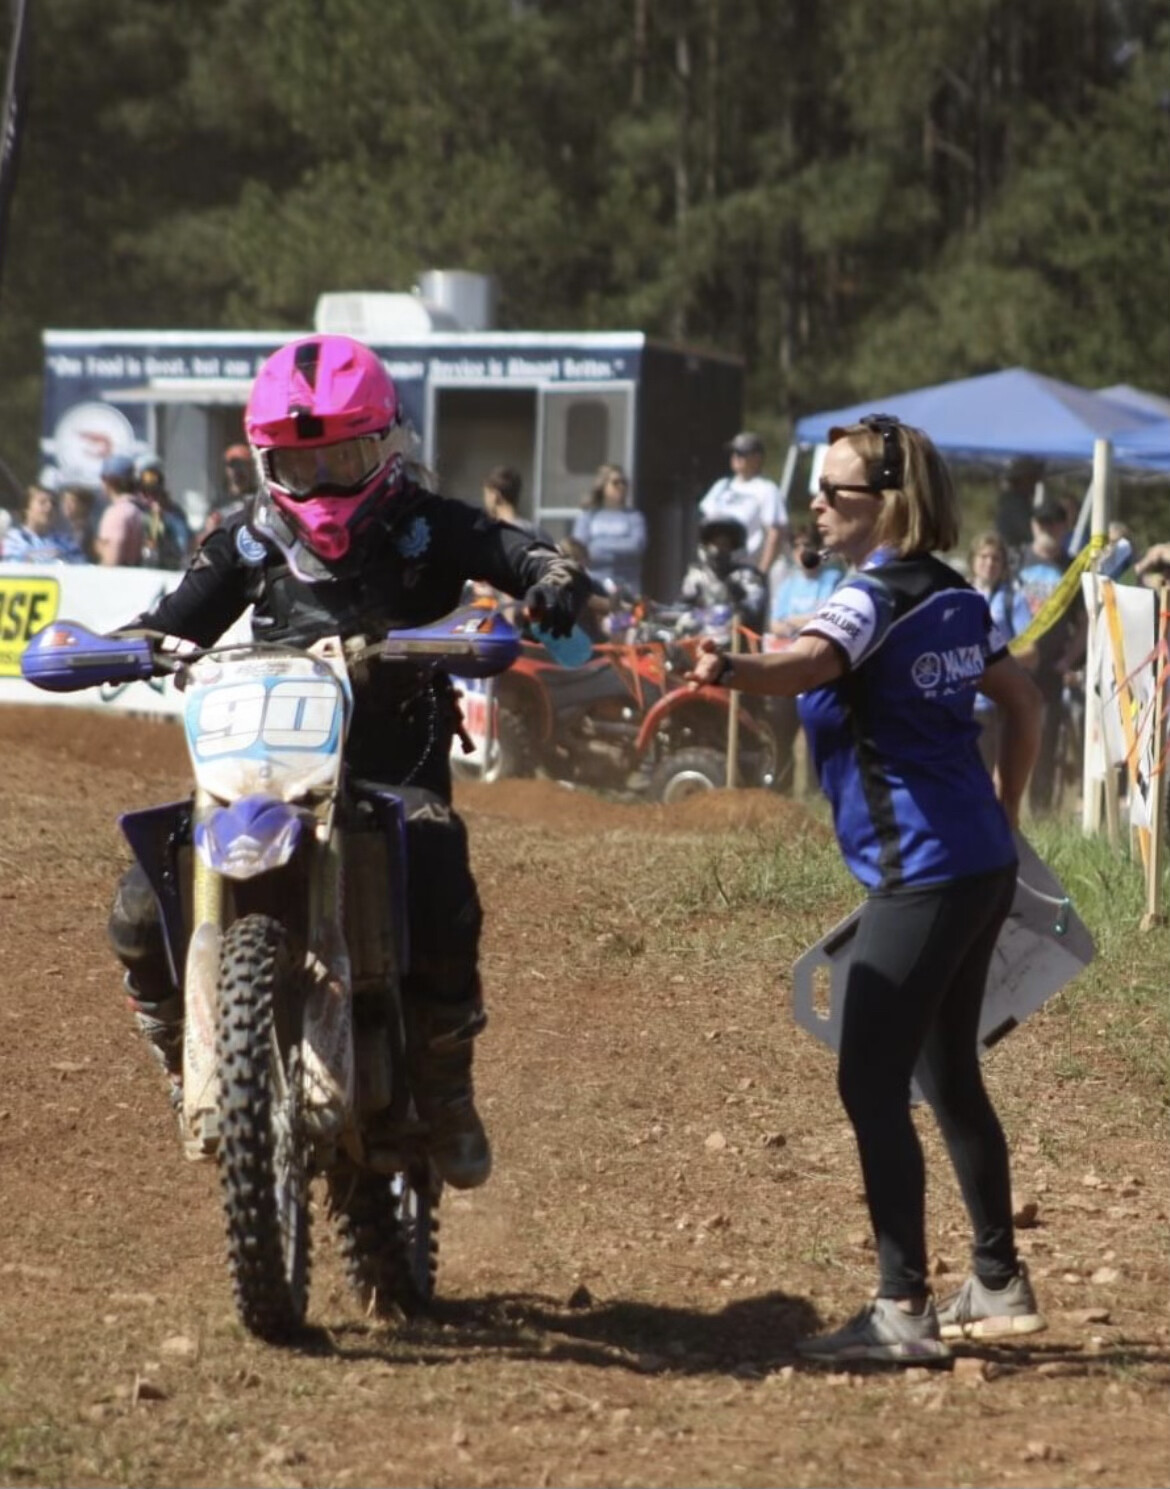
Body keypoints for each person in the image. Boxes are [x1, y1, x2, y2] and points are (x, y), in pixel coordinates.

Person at [105, 333, 589, 1192]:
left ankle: (446, 1088)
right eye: (301, 464)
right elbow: (174, 619)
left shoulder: (430, 524)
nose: (323, 483)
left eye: (345, 457)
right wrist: (123, 647)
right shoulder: (247, 542)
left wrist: (551, 577)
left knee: (440, 866)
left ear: (388, 445)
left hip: (392, 773)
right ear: (267, 462)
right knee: (144, 902)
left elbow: (520, 552)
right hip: (258, 773)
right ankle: (182, 1044)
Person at [687, 414, 1045, 1365]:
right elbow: (1024, 703)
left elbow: (812, 661)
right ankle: (998, 1282)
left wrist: (731, 667)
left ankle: (902, 1307)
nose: (815, 500)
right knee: (945, 1069)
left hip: (924, 875)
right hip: (978, 863)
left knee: (870, 1078)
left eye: (835, 490)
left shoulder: (868, 596)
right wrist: (1004, 815)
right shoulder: (959, 594)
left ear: (887, 505)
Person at [1015, 499, 1086, 814]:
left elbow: (1085, 621)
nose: (1047, 529)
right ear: (1033, 525)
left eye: (1053, 523)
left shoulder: (1072, 569)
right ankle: (1003, 806)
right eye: (1041, 522)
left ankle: (1040, 810)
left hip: (1050, 670)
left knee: (1044, 741)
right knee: (1006, 734)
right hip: (1014, 666)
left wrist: (1068, 660)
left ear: (1063, 527)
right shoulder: (1016, 561)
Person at [766, 526, 843, 794]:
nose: (803, 551)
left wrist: (793, 621)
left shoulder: (834, 579)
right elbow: (775, 625)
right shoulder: (788, 584)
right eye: (797, 546)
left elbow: (829, 617)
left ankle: (817, 791)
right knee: (782, 731)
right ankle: (781, 788)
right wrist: (806, 619)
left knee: (817, 731)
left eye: (808, 545)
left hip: (819, 668)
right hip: (789, 663)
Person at [969, 530, 1032, 774]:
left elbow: (1031, 651)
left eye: (996, 558)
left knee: (989, 772)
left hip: (993, 703)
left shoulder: (1012, 601)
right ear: (973, 560)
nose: (989, 563)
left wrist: (993, 665)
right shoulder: (957, 593)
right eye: (984, 557)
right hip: (959, 700)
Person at [698, 431, 788, 576]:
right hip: (715, 566)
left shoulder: (766, 489)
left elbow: (774, 534)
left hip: (745, 567)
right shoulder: (722, 485)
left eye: (741, 453)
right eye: (734, 453)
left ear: (757, 458)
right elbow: (705, 522)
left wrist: (761, 573)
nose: (735, 457)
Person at [677, 516, 768, 638]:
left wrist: (736, 592)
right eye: (714, 543)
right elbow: (683, 608)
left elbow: (753, 611)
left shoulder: (748, 577)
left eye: (724, 544)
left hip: (738, 646)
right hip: (703, 643)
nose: (718, 550)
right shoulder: (696, 576)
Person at [571, 464, 647, 595]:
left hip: (628, 587)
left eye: (624, 483)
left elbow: (636, 546)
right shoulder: (588, 516)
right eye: (615, 482)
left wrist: (597, 545)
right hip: (594, 586)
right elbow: (579, 550)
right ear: (603, 486)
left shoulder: (634, 517)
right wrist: (621, 545)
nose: (621, 487)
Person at [1, 484, 87, 563]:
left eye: (53, 504)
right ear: (27, 509)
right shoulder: (13, 538)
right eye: (42, 502)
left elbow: (80, 565)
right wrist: (50, 554)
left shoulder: (65, 541)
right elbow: (12, 563)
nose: (49, 507)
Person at [135, 454, 191, 569]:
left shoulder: (174, 513)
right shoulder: (135, 508)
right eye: (146, 477)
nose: (150, 484)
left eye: (153, 477)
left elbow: (183, 546)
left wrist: (162, 519)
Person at [197, 443, 258, 541]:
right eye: (232, 465)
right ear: (227, 470)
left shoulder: (259, 499)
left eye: (242, 465)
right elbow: (205, 536)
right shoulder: (219, 504)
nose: (237, 471)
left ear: (251, 468)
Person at [94, 453, 145, 566]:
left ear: (109, 482)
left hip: (119, 580)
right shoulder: (138, 510)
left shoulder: (116, 514)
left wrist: (101, 549)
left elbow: (111, 562)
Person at [59, 483, 100, 562]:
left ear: (84, 506)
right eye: (64, 501)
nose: (67, 505)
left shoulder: (84, 530)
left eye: (72, 501)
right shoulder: (68, 528)